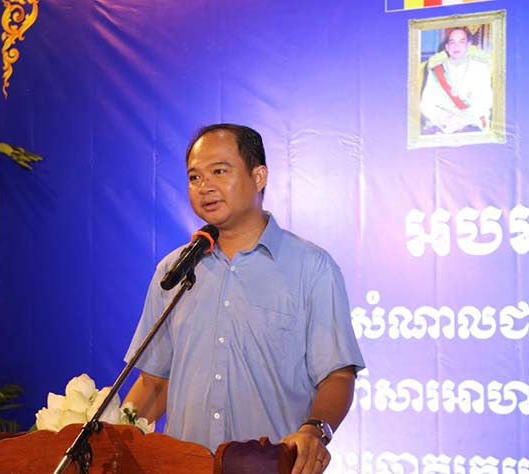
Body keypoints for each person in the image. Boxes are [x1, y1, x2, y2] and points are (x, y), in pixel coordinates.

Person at [124, 124, 365, 473]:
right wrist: (111, 441)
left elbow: (338, 375)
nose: (205, 186)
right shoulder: (174, 270)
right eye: (194, 177)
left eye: (219, 172)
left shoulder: (311, 268)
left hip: (269, 467)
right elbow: (155, 384)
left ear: (259, 176)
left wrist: (315, 430)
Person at [420, 26, 492, 135]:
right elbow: (426, 105)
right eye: (452, 42)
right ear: (447, 47)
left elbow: (486, 102)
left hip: (472, 123)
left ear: (468, 45)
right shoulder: (435, 71)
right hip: (443, 125)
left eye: (461, 42)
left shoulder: (481, 68)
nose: (456, 46)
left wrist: (464, 120)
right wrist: (447, 118)